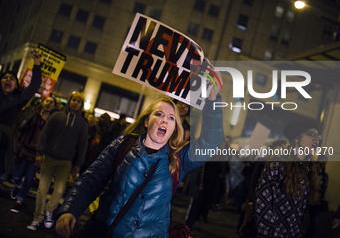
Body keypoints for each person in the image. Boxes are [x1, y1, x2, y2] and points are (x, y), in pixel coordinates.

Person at [55, 73, 223, 238]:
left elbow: (211, 142)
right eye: (159, 114)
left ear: (174, 129)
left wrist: (213, 99)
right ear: (146, 121)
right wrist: (70, 209)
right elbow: (92, 180)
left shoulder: (180, 160)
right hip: (106, 231)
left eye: (171, 118)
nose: (164, 120)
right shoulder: (123, 145)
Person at [239, 121, 320, 238]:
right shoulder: (277, 164)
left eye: (318, 136)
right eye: (311, 134)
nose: (316, 138)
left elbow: (298, 215)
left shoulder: (308, 171)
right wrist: (273, 233)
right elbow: (263, 205)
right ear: (296, 138)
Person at [27, 92, 88, 231]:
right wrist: (39, 154)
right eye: (73, 100)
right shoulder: (56, 116)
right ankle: (37, 218)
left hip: (66, 162)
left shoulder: (82, 124)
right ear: (69, 101)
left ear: (81, 105)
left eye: (78, 101)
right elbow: (44, 135)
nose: (75, 103)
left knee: (59, 190)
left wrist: (79, 163)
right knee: (42, 189)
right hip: (48, 158)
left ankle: (49, 211)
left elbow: (83, 145)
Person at [0, 50, 42, 183]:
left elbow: (34, 85)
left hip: (2, 142)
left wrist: (36, 62)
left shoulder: (18, 99)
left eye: (12, 79)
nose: (8, 80)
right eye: (5, 78)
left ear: (16, 85)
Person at [10, 96, 56, 213]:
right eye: (47, 101)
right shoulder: (33, 114)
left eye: (51, 102)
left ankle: (19, 201)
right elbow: (21, 127)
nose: (48, 104)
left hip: (39, 153)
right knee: (16, 174)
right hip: (25, 148)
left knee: (30, 177)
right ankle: (18, 185)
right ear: (42, 102)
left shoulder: (53, 121)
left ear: (54, 106)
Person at [305, 154, 329, 238]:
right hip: (306, 200)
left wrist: (321, 200)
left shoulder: (325, 176)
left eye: (325, 161)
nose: (324, 162)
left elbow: (324, 190)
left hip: (316, 202)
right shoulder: (311, 173)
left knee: (314, 223)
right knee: (297, 218)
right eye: (322, 160)